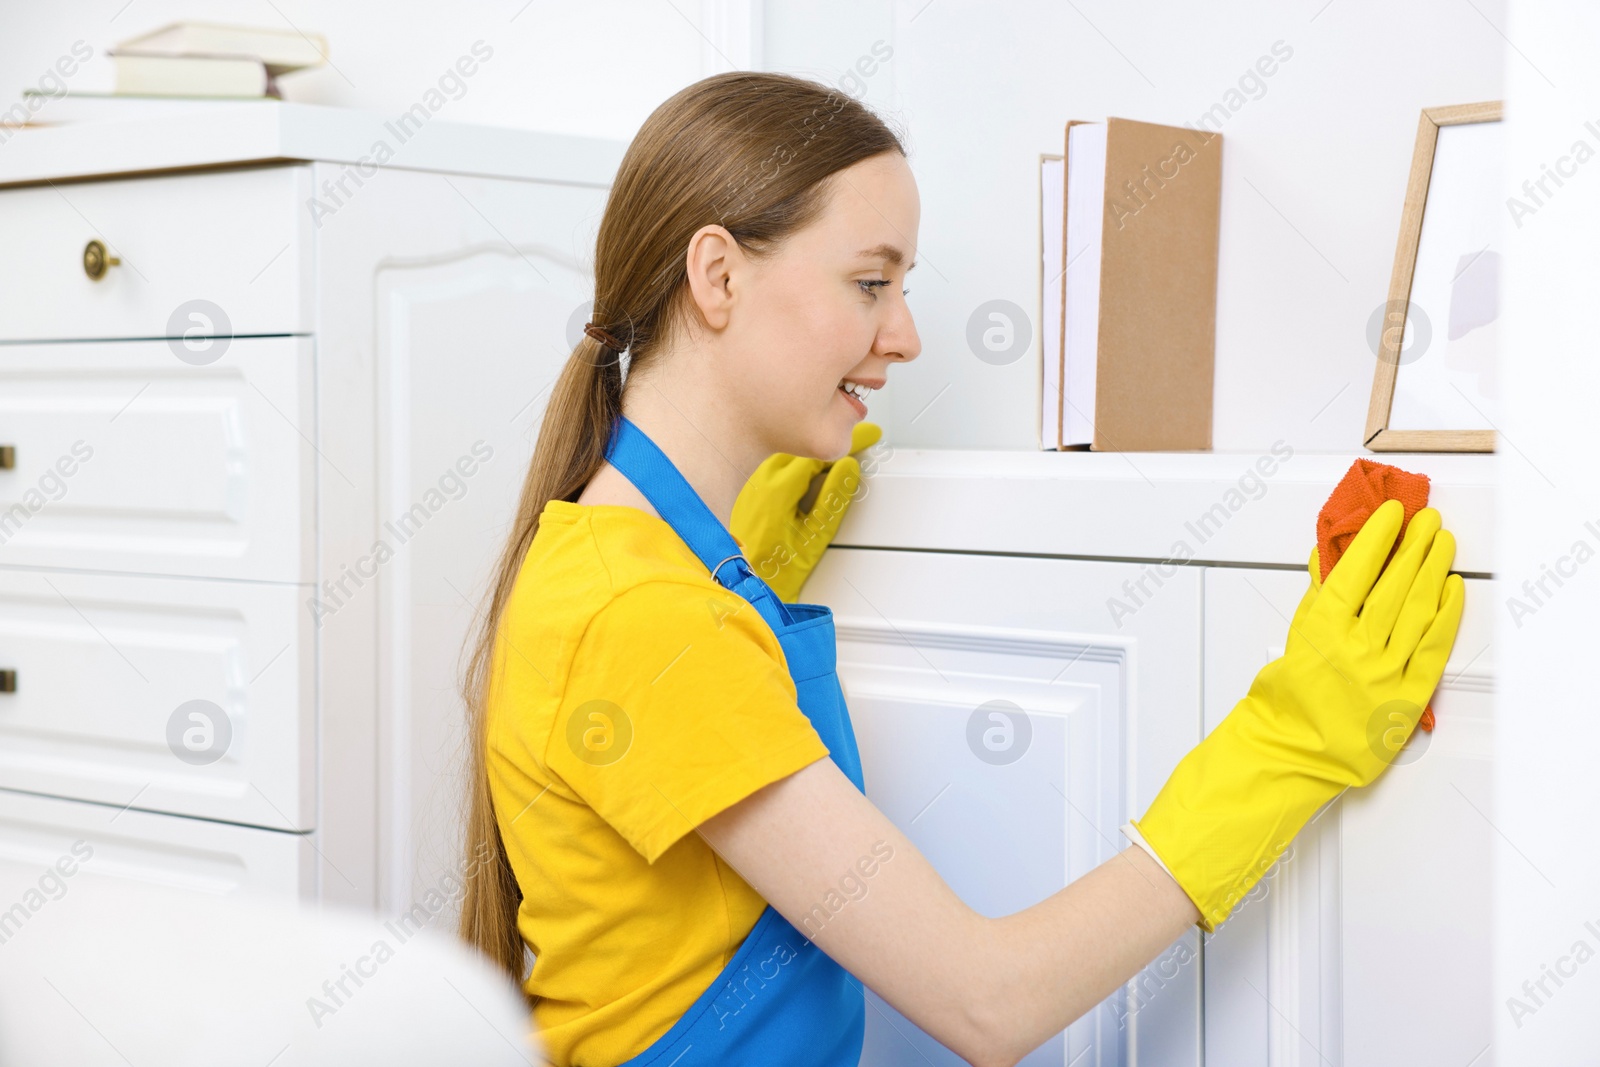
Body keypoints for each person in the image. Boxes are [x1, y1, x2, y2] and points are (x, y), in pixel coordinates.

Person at [455, 71, 1465, 1067]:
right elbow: (989, 1001)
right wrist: (1290, 743)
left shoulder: (620, 564)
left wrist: (742, 572)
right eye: (869, 282)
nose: (904, 335)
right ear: (717, 277)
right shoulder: (646, 614)